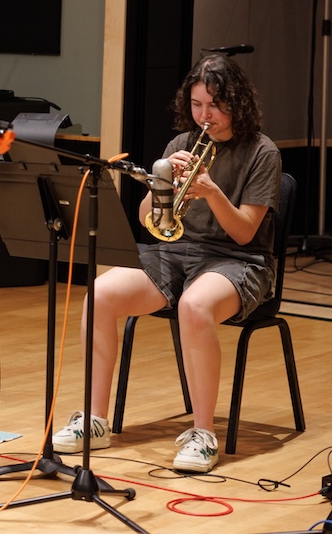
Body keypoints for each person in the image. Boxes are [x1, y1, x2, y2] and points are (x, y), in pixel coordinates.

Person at [52, 53, 280, 473]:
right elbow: (147, 220)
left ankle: (202, 433)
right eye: (196, 105)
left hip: (239, 260)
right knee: (99, 294)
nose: (204, 115)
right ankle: (95, 419)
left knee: (194, 307)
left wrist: (211, 192)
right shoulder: (181, 145)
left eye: (215, 105)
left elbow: (246, 232)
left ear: (237, 102)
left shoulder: (261, 151)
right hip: (175, 252)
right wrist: (163, 187)